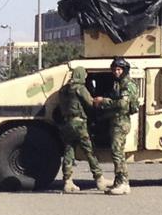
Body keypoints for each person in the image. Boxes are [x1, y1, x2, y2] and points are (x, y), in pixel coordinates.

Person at [58, 67, 111, 193]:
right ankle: (99, 178)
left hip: (67, 123)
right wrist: (104, 101)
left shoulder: (63, 89)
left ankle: (67, 181)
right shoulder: (80, 88)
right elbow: (90, 103)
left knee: (69, 151)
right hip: (79, 123)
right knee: (89, 151)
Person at [94, 56, 139, 196]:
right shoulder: (118, 83)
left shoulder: (127, 84)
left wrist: (104, 101)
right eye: (114, 69)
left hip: (121, 122)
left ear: (124, 70)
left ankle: (123, 183)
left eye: (119, 69)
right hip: (116, 121)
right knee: (118, 153)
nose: (116, 72)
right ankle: (121, 181)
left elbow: (123, 104)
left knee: (117, 153)